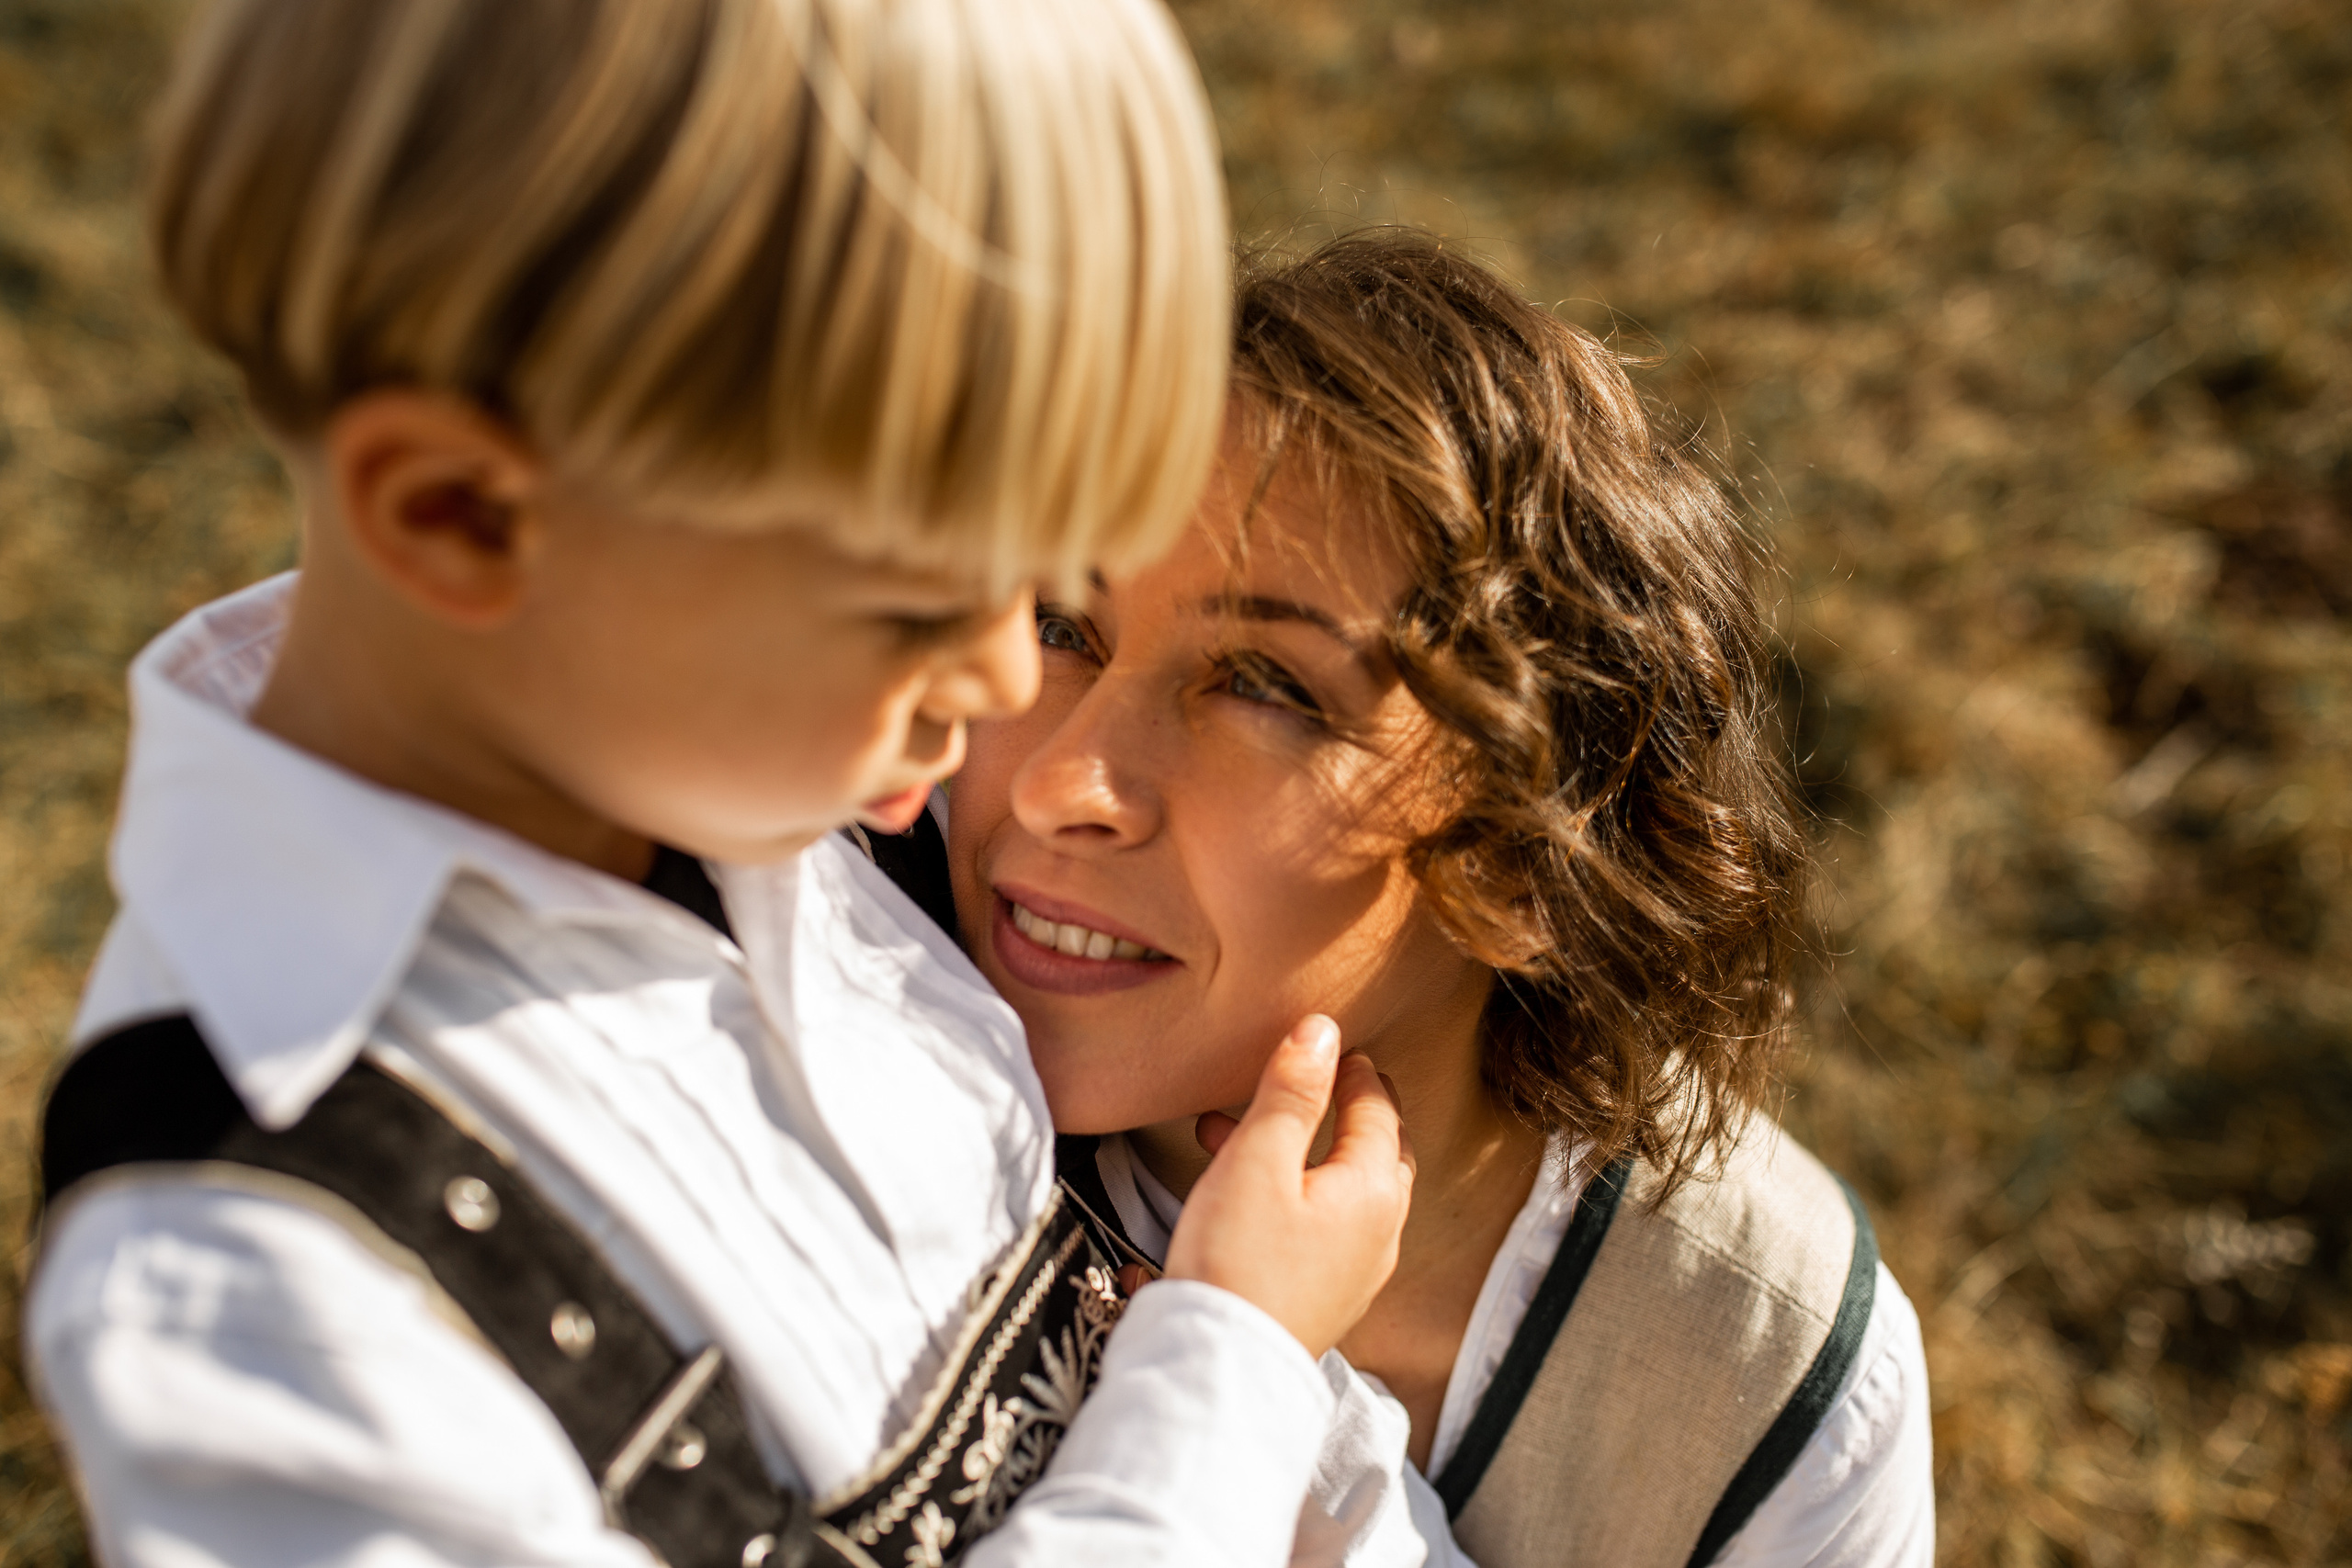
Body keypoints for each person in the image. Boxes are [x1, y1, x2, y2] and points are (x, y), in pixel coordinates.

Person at [23, 6, 1425, 1567]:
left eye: (1043, 592)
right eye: (922, 604)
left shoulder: (738, 780)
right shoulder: (266, 1291)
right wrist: (1228, 1354)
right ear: (461, 519)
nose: (1006, 695)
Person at [937, 231, 1938, 1567]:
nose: (1066, 780)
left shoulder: (1759, 1366)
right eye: (1062, 628)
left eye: (1264, 686)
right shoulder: (833, 1064)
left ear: (1530, 860)